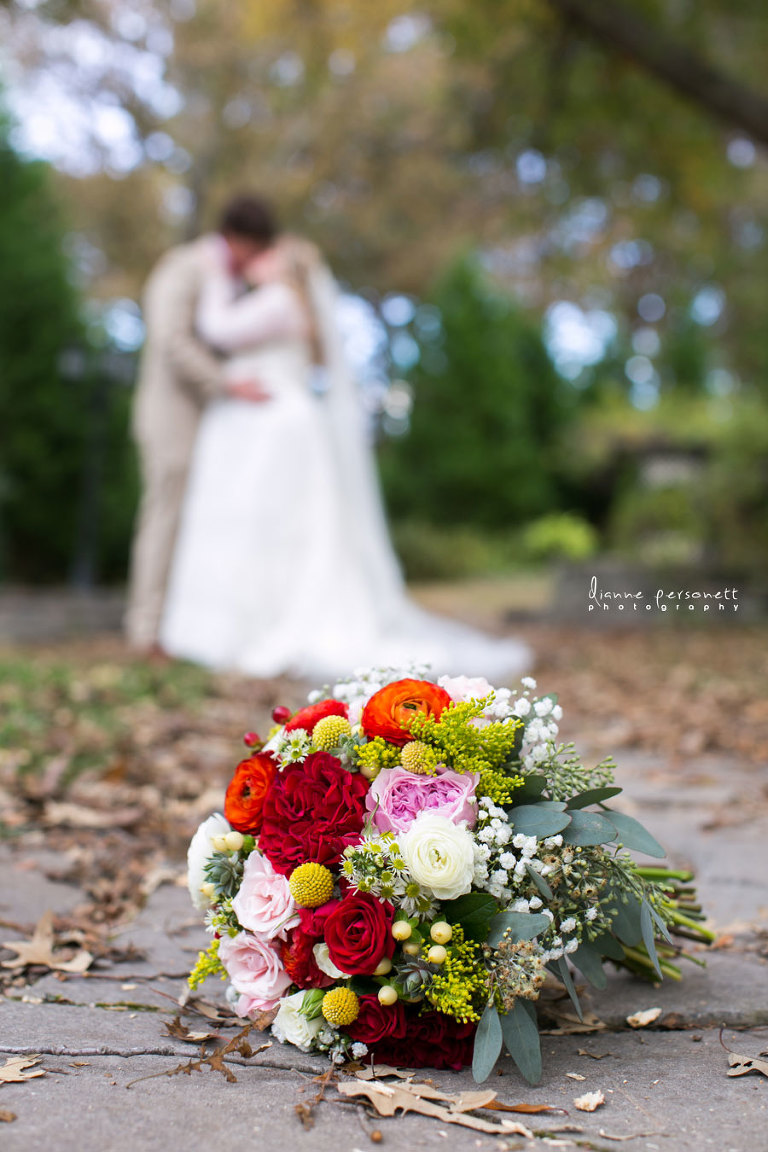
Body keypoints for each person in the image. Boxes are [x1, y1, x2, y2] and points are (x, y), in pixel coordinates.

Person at [160, 232, 531, 681]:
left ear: (286, 265)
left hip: (277, 428)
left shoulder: (278, 299)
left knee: (284, 530)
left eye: (270, 252)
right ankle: (245, 627)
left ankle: (264, 628)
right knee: (277, 529)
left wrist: (215, 273)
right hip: (275, 426)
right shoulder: (288, 304)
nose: (260, 256)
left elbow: (218, 329)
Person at [124, 195, 277, 653]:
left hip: (213, 423)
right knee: (165, 516)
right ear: (239, 238)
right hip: (171, 415)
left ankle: (182, 628)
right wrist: (228, 383)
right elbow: (170, 339)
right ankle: (146, 629)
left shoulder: (235, 282)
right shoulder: (184, 266)